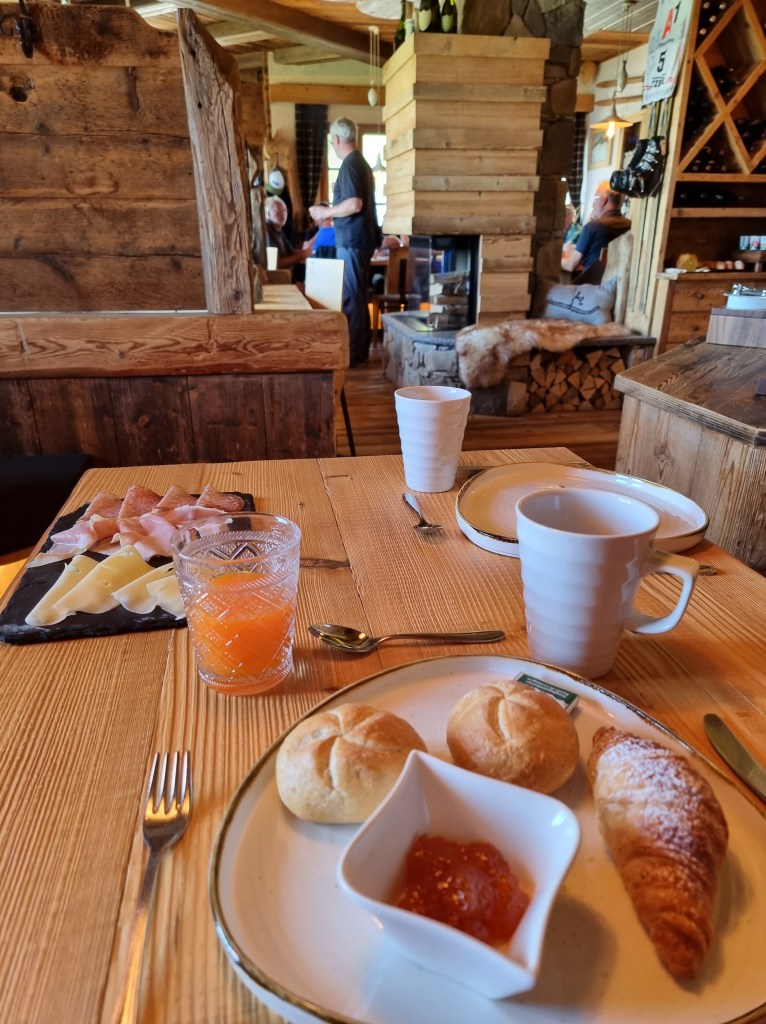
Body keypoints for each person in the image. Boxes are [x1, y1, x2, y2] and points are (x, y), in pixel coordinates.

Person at [309, 117, 380, 367]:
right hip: (358, 240)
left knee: (352, 297)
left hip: (352, 241)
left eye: (331, 141)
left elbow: (354, 204)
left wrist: (325, 212)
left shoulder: (350, 165)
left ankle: (354, 354)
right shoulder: (360, 164)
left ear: (337, 139)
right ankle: (359, 352)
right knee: (357, 295)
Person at [561, 182, 631, 278]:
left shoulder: (592, 227)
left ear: (603, 200)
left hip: (590, 284)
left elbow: (570, 265)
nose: (593, 205)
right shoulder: (630, 226)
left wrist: (555, 261)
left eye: (595, 199)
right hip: (619, 283)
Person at [264, 195, 311, 281]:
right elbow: (275, 263)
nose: (283, 214)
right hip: (275, 277)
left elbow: (291, 253)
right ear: (267, 213)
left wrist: (310, 251)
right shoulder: (267, 231)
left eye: (285, 210)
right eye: (277, 211)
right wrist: (303, 254)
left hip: (286, 274)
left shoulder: (280, 231)